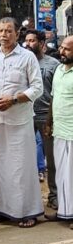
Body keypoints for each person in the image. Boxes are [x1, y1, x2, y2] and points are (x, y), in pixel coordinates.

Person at [0, 17, 43, 228]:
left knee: (21, 167)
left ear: (17, 33)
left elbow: (37, 88)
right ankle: (1, 209)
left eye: (8, 31)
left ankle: (28, 211)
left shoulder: (27, 57)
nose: (3, 35)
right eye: (0, 30)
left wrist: (14, 99)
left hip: (19, 121)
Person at [25, 29, 59, 208]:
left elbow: (56, 93)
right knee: (25, 158)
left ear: (41, 43)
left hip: (46, 115)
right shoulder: (23, 62)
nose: (28, 44)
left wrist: (51, 119)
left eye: (32, 40)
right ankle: (31, 199)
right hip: (25, 116)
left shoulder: (53, 64)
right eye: (27, 40)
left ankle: (54, 195)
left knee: (51, 160)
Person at [45, 36, 73, 226]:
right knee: (62, 174)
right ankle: (65, 210)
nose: (62, 52)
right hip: (60, 131)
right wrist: (49, 122)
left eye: (67, 49)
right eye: (62, 48)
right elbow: (53, 100)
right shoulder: (59, 71)